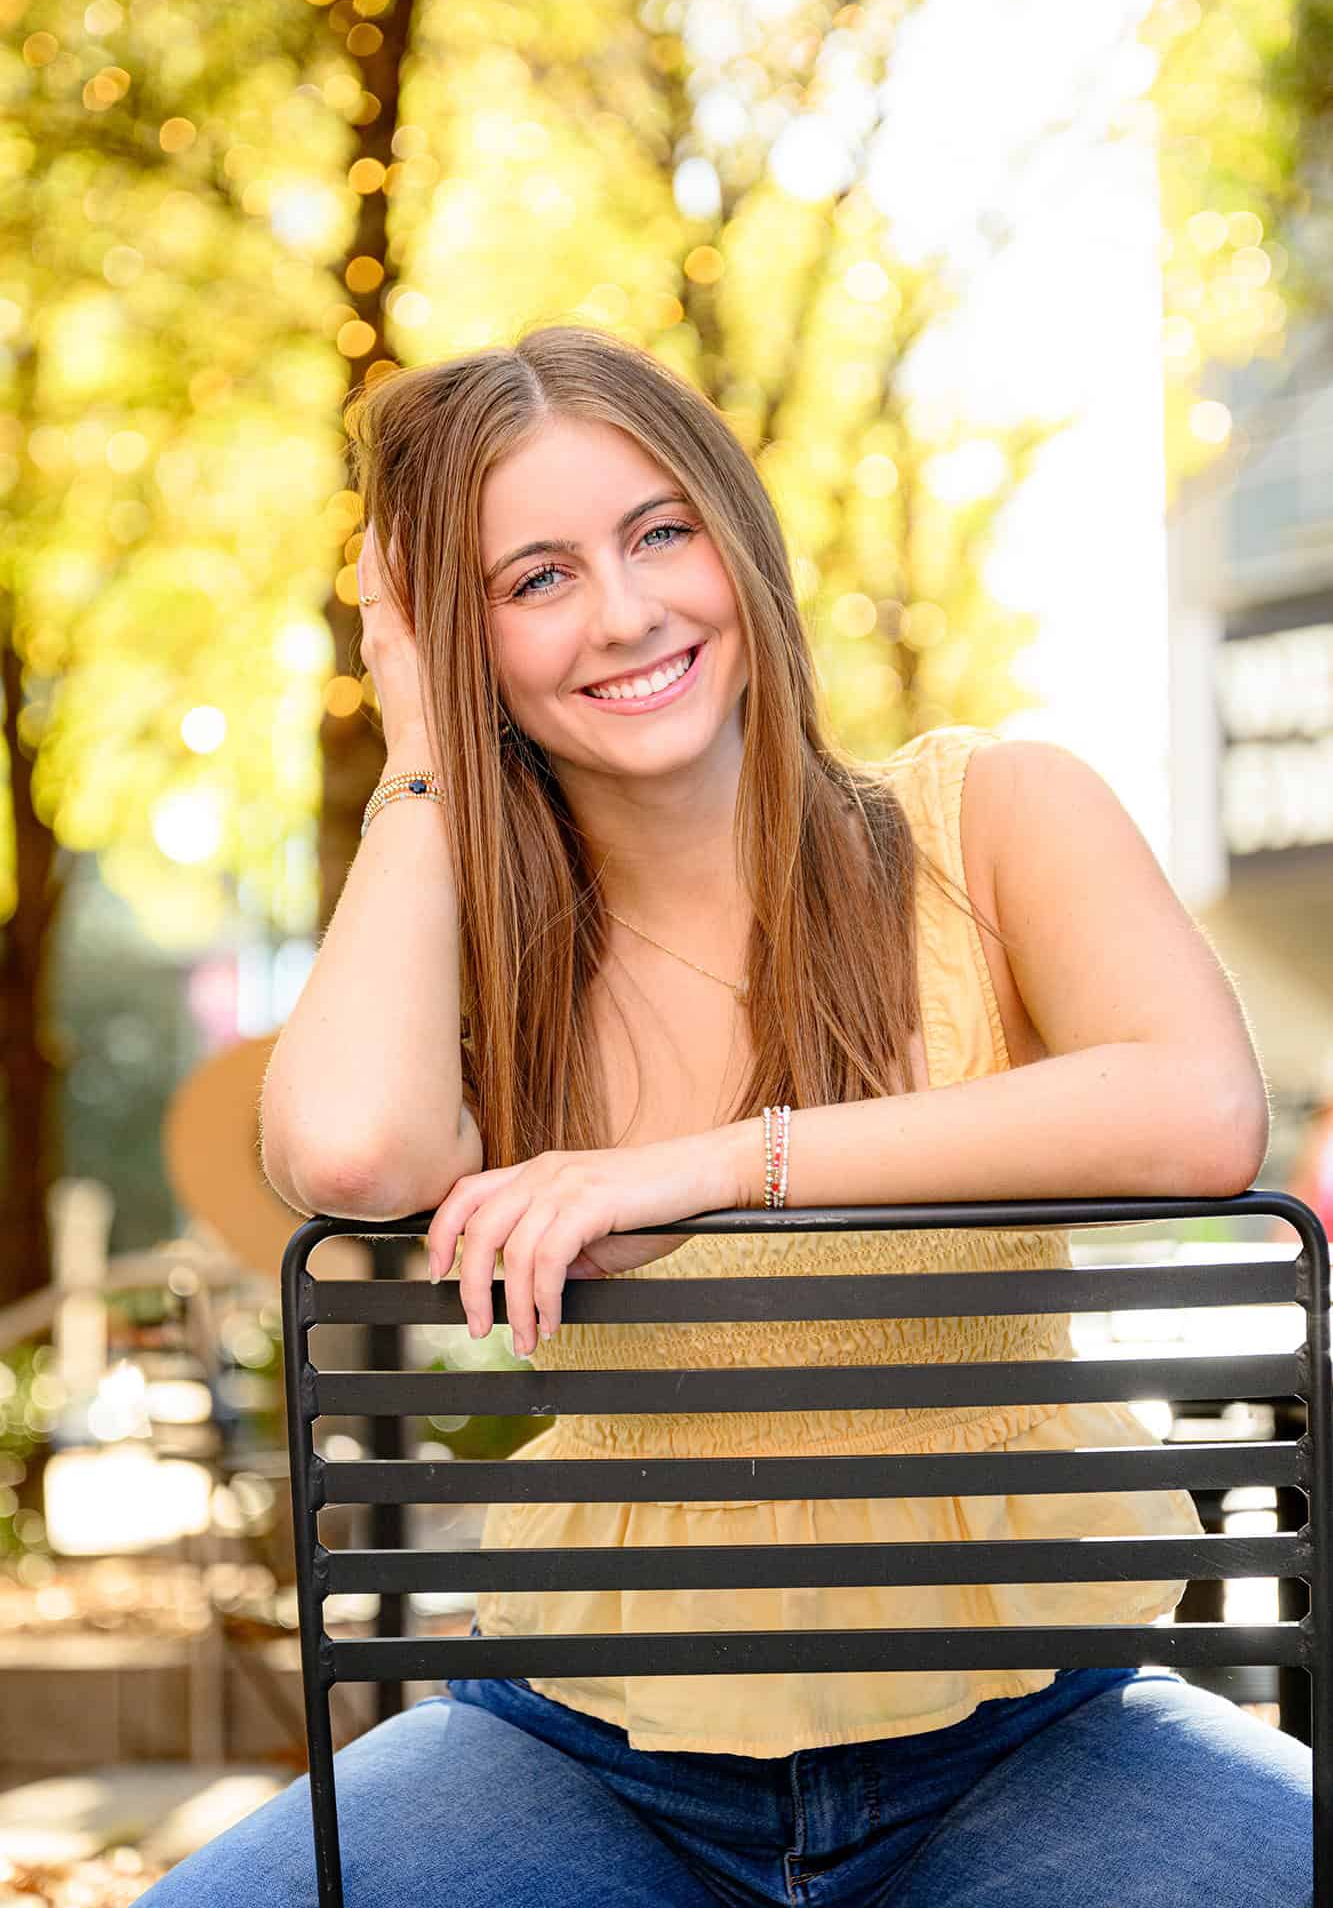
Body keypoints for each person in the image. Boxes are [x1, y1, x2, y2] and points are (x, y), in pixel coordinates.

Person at [144, 326, 1312, 1905]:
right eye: (530, 579)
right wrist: (418, 760)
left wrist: (702, 1171)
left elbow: (1195, 1115)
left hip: (1041, 1733)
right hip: (577, 1755)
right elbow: (350, 1154)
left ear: (736, 542)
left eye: (658, 533)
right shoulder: (473, 959)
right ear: (451, 634)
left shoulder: (994, 815)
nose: (624, 614)